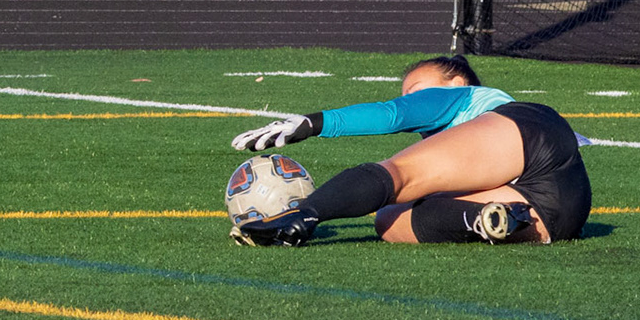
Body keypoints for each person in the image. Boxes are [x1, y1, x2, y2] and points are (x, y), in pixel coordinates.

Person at [227, 55, 590, 246]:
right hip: (557, 215)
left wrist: (313, 123)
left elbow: (394, 114)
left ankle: (300, 216)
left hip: (534, 138)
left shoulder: (464, 97)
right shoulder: (473, 147)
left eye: (416, 91)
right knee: (389, 219)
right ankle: (484, 219)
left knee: (398, 176)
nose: (411, 101)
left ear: (456, 82)